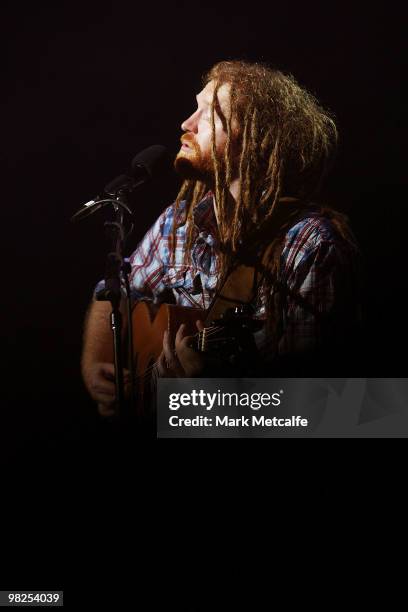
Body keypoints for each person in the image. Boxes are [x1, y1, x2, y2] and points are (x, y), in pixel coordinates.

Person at [81, 60, 362, 416]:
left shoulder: (310, 246)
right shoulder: (178, 223)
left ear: (257, 137)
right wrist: (95, 367)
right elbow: (113, 291)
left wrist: (216, 398)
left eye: (209, 113)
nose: (186, 124)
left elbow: (331, 410)